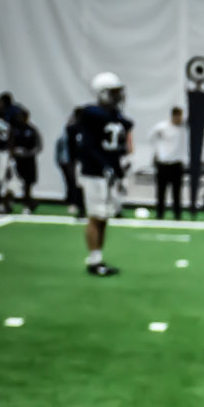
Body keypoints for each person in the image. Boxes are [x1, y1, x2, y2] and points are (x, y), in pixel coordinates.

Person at [75, 74, 133, 276]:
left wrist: (118, 171)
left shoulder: (115, 116)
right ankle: (94, 260)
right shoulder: (92, 114)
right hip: (94, 173)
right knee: (95, 216)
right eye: (114, 92)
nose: (119, 96)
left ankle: (98, 257)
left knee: (104, 217)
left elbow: (125, 128)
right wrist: (105, 166)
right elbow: (88, 146)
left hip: (108, 174)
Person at [150, 106, 187, 221]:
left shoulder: (183, 127)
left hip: (176, 163)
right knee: (161, 191)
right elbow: (151, 138)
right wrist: (158, 152)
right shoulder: (162, 127)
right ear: (173, 116)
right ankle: (160, 214)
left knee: (177, 192)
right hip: (163, 163)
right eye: (178, 116)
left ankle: (177, 214)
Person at [9, 107, 42, 215]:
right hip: (16, 160)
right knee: (11, 183)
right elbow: (9, 143)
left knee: (27, 184)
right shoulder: (14, 129)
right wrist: (13, 152)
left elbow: (38, 146)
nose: (20, 119)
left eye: (22, 117)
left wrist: (27, 153)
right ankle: (8, 204)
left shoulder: (32, 130)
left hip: (28, 161)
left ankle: (27, 204)